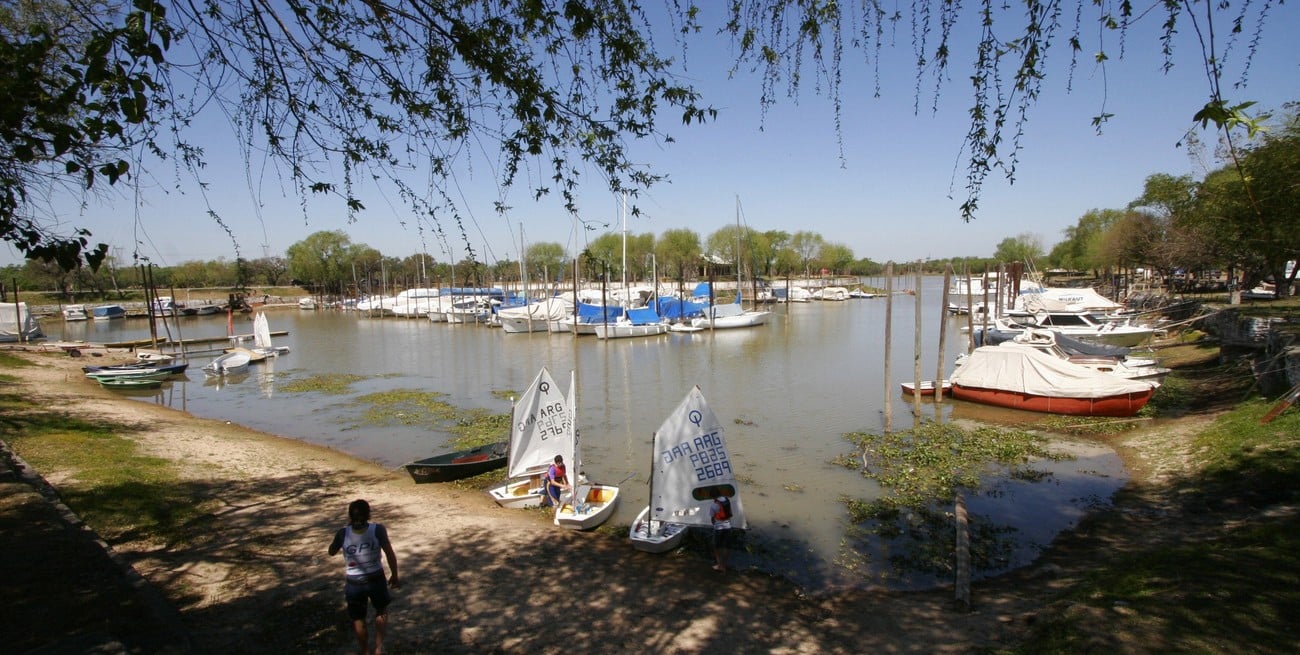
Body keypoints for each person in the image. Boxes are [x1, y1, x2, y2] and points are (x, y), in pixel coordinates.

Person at [329, 499, 400, 655]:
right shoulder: (378, 530)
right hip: (376, 578)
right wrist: (394, 575)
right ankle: (379, 649)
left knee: (358, 618)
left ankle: (365, 651)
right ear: (368, 514)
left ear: (350, 516)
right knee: (381, 610)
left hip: (354, 583)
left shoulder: (343, 533)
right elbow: (390, 554)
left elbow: (331, 551)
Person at [710, 493, 734, 572]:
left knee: (716, 547)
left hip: (719, 528)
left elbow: (712, 519)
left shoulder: (713, 505)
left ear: (713, 496)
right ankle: (724, 565)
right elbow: (730, 513)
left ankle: (719, 565)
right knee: (726, 547)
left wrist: (715, 524)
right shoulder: (727, 500)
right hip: (728, 527)